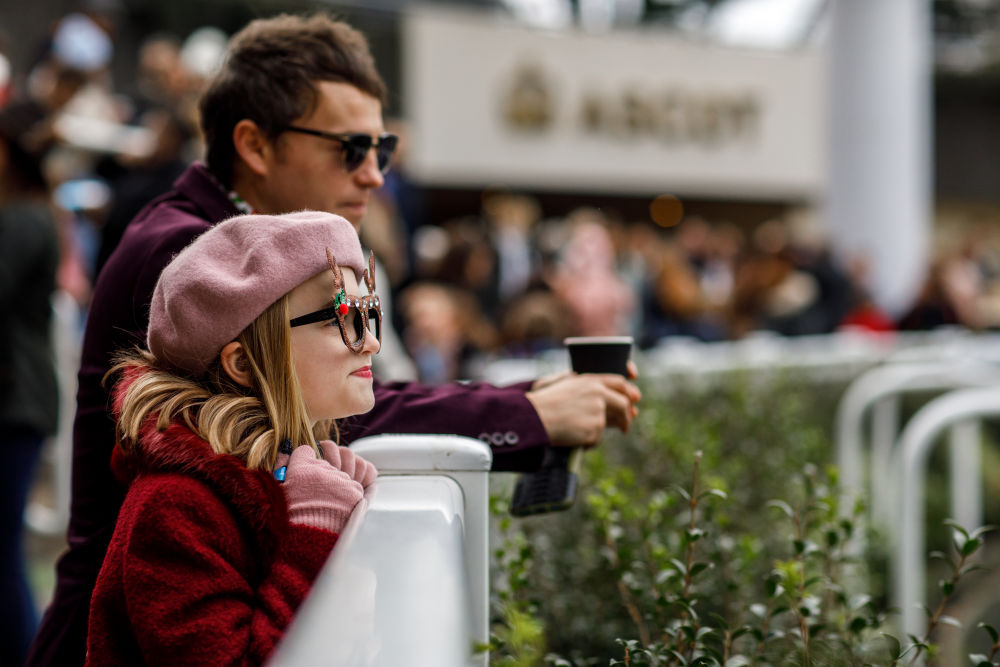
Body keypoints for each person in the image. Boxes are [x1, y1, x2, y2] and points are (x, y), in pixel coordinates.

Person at [28, 13, 641, 665]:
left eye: (384, 150)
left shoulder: (234, 245)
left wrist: (517, 404)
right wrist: (524, 414)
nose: (375, 174)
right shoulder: (199, 261)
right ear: (256, 146)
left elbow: (333, 386)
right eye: (351, 148)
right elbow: (311, 403)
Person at [85, 210, 379, 664]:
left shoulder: (276, 473)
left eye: (368, 312)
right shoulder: (174, 506)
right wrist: (314, 530)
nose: (371, 342)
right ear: (242, 363)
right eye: (341, 314)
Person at [0, 101, 61, 667]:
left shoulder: (22, 218)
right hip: (20, 400)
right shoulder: (30, 213)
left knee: (2, 554)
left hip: (16, 403)